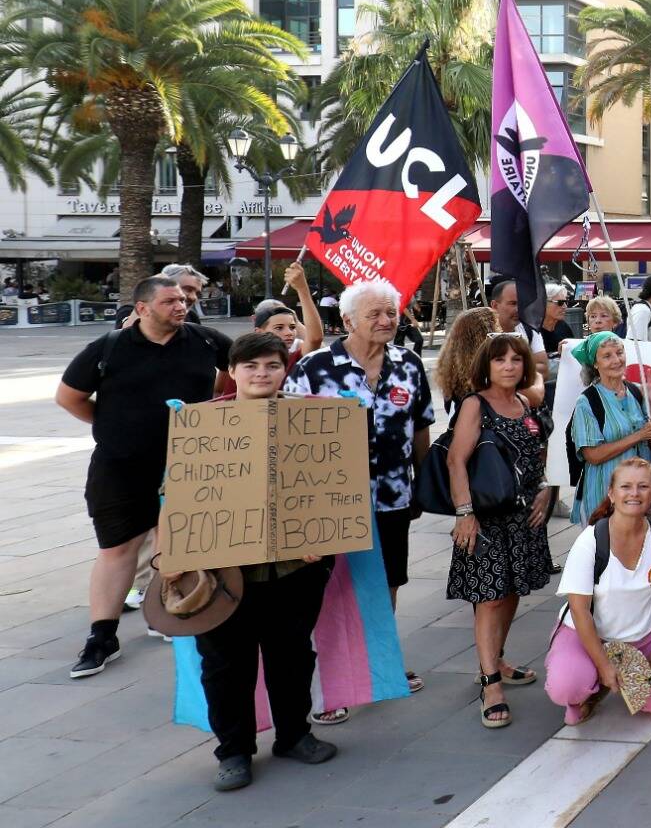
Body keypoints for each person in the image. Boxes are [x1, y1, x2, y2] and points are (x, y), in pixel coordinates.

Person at [58, 275, 231, 677]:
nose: (182, 305)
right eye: (170, 300)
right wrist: (112, 428)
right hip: (120, 466)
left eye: (184, 299)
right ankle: (102, 636)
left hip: (191, 464)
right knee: (117, 548)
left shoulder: (206, 340)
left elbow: (237, 371)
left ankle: (171, 614)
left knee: (183, 544)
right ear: (142, 308)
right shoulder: (109, 347)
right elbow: (69, 397)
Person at [194, 331, 339, 790]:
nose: (261, 374)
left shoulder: (313, 420)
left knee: (292, 655)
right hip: (225, 573)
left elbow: (332, 480)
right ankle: (233, 750)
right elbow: (173, 491)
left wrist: (323, 531)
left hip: (296, 568)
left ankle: (294, 734)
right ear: (232, 372)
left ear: (285, 370)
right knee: (225, 664)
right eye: (251, 366)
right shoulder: (202, 424)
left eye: (272, 366)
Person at [285, 280, 435, 695]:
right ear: (348, 320)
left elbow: (420, 425)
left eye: (391, 312)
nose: (387, 321)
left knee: (387, 580)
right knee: (333, 586)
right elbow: (289, 438)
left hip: (392, 497)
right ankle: (335, 676)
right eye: (375, 314)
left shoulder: (408, 363)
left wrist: (423, 480)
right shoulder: (314, 367)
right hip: (330, 501)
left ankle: (381, 661)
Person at [446, 332, 556, 727]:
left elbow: (535, 455)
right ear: (487, 366)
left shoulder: (525, 402)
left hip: (523, 516)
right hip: (487, 517)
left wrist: (545, 489)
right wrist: (464, 513)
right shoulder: (475, 404)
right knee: (490, 597)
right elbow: (457, 461)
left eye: (515, 359)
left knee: (511, 592)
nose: (508, 365)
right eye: (500, 360)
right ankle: (489, 682)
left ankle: (498, 658)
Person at [547, 459, 651, 725]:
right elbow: (579, 610)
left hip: (641, 635)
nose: (634, 493)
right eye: (625, 486)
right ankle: (587, 690)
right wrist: (602, 664)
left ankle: (615, 673)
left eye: (643, 486)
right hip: (588, 635)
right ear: (611, 494)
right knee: (566, 685)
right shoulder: (590, 541)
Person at [569, 332, 651, 524]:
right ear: (595, 364)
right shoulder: (587, 402)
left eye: (619, 353)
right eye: (607, 356)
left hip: (638, 492)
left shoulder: (636, 391)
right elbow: (592, 455)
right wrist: (638, 435)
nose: (616, 360)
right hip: (603, 494)